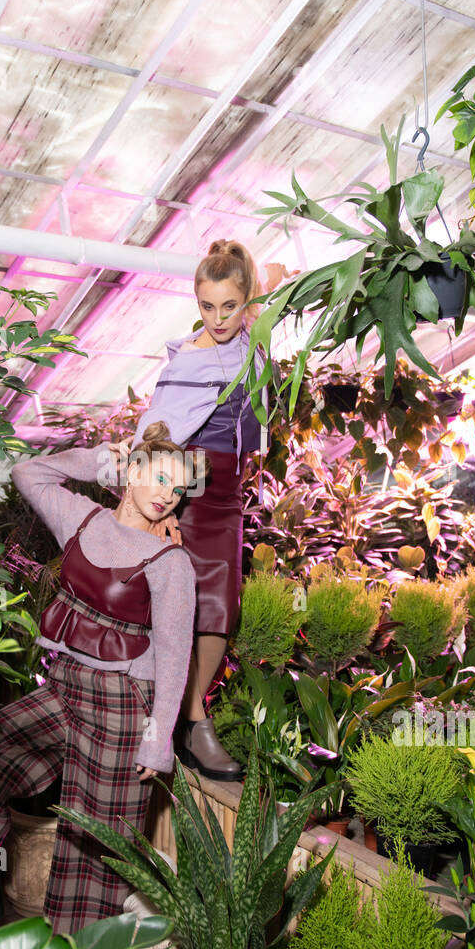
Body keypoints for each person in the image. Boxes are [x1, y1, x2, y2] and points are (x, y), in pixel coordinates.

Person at [0, 424, 205, 935]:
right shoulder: (81, 518)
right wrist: (100, 461)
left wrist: (157, 738)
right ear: (132, 472)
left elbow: (174, 656)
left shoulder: (172, 564)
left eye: (179, 489)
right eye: (160, 477)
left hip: (122, 707)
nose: (168, 494)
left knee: (94, 844)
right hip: (64, 686)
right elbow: (27, 471)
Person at [124, 240, 288, 782]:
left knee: (221, 610)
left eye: (229, 306)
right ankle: (194, 722)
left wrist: (261, 297)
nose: (217, 318)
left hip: (228, 498)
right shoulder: (189, 360)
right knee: (179, 607)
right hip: (190, 491)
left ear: (246, 303)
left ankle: (183, 718)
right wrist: (158, 503)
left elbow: (284, 286)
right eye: (207, 306)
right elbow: (157, 432)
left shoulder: (252, 342)